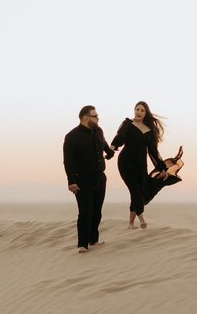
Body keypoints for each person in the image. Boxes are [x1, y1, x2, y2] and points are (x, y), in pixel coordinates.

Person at [63, 105, 115, 252]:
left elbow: (103, 143)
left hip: (100, 178)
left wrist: (109, 152)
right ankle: (82, 245)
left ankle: (94, 240)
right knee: (85, 212)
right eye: (95, 116)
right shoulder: (72, 136)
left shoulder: (98, 130)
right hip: (82, 180)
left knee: (97, 211)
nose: (98, 118)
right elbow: (68, 161)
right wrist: (71, 181)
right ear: (86, 117)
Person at [110, 101, 169, 229]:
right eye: (137, 109)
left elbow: (153, 152)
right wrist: (114, 145)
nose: (139, 112)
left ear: (145, 113)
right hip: (126, 162)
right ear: (134, 110)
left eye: (142, 110)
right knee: (134, 189)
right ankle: (141, 219)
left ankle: (131, 224)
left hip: (141, 163)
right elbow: (121, 136)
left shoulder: (150, 130)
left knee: (139, 190)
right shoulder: (128, 124)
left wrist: (162, 168)